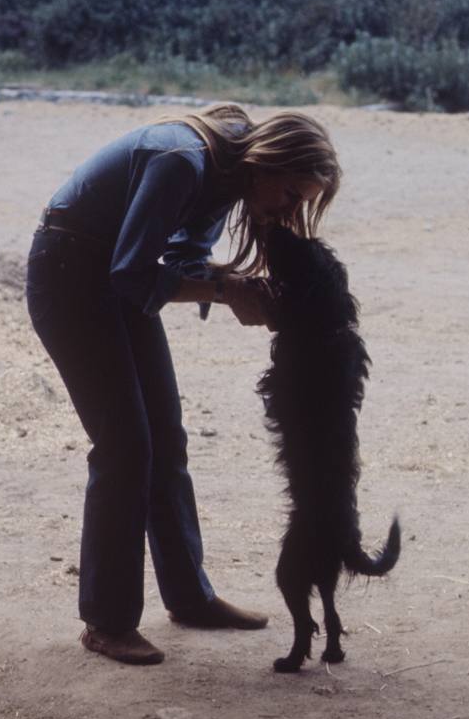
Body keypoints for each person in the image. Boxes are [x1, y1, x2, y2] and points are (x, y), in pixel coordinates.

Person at [26, 102, 341, 665]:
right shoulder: (184, 160)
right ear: (270, 162)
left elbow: (181, 259)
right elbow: (132, 271)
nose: (290, 211)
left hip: (113, 277)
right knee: (126, 447)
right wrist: (225, 293)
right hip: (70, 274)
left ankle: (190, 597)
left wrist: (233, 281)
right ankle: (107, 621)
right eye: (292, 194)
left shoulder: (229, 173)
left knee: (166, 439)